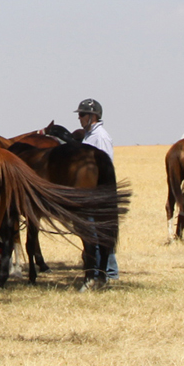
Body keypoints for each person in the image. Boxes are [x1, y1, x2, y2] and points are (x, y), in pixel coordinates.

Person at [73, 98, 118, 283]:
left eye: (82, 114)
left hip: (97, 193)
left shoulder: (100, 137)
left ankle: (109, 273)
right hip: (89, 193)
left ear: (93, 116)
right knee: (92, 232)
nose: (79, 118)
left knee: (98, 234)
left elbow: (105, 165)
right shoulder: (88, 136)